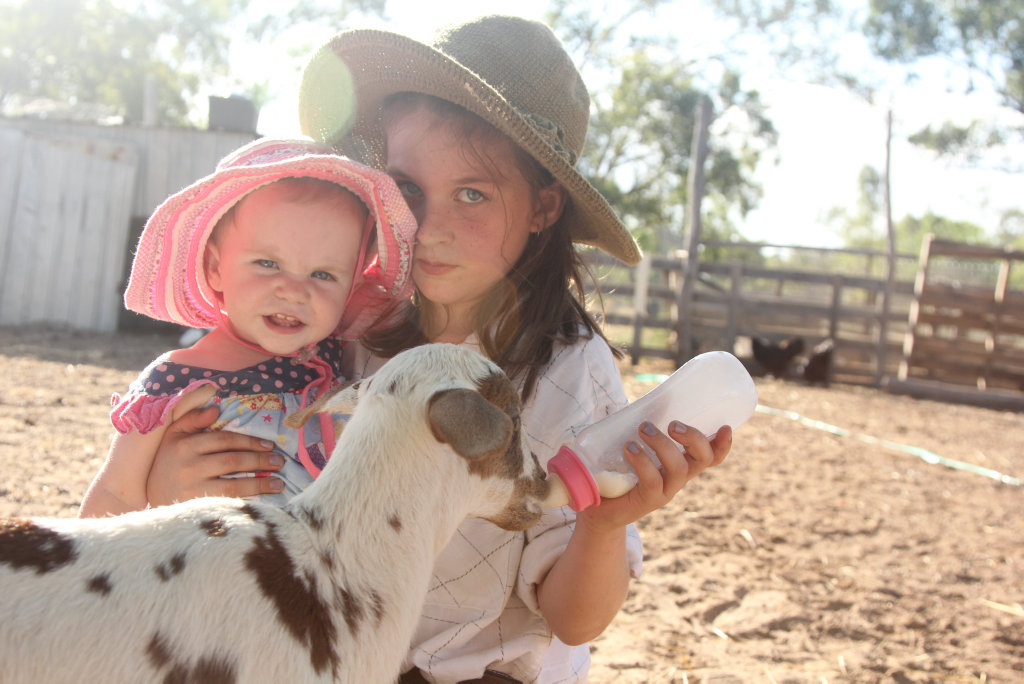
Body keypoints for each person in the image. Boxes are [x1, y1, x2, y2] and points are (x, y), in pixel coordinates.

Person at [144, 15, 733, 683]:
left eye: (473, 194)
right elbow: (233, 421)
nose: (429, 229)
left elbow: (574, 620)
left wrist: (605, 527)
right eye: (409, 189)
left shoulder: (568, 374)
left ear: (543, 207)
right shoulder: (348, 321)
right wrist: (171, 483)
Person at [79, 138, 416, 517]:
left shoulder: (339, 366)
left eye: (323, 274)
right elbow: (115, 496)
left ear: (351, 288)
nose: (293, 291)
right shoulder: (174, 383)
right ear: (215, 268)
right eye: (267, 264)